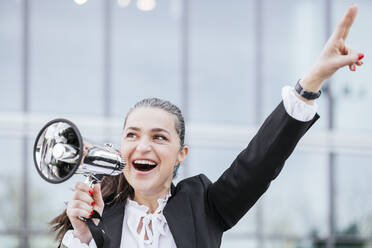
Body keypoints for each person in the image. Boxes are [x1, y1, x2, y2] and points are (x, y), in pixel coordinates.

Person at [50, 5, 364, 248]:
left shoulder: (202, 206)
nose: (143, 145)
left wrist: (310, 83)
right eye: (132, 135)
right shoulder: (99, 220)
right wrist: (82, 235)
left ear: (180, 154)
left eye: (159, 137)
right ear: (122, 147)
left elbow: (259, 162)